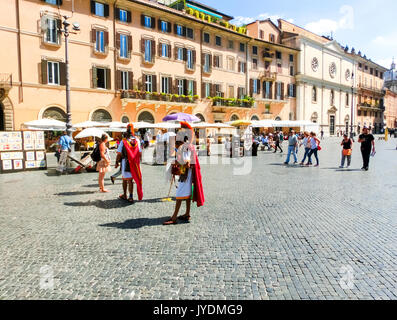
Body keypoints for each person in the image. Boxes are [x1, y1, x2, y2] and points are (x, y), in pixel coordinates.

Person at [164, 122, 205, 225]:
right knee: (187, 195)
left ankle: (174, 218)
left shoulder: (185, 147)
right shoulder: (189, 145)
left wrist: (174, 162)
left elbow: (186, 163)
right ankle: (187, 213)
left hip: (185, 175)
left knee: (179, 196)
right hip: (189, 174)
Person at [115, 124, 143, 203]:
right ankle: (131, 196)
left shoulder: (123, 141)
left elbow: (119, 153)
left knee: (125, 179)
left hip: (126, 162)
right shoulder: (137, 140)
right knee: (131, 180)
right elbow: (140, 152)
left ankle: (125, 194)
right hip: (135, 163)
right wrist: (138, 162)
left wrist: (116, 162)